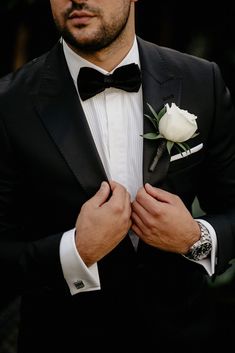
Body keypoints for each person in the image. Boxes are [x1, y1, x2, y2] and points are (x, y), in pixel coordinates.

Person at [0, 0, 235, 352]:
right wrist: (74, 251)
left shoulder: (201, 81)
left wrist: (194, 237)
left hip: (185, 338)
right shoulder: (9, 104)